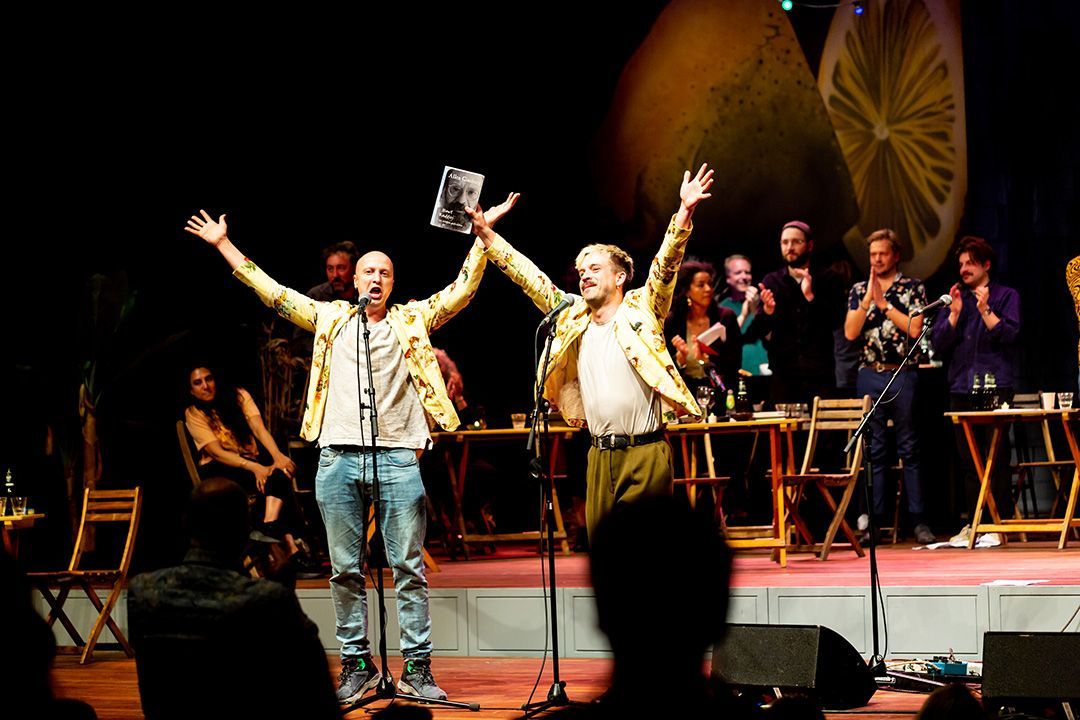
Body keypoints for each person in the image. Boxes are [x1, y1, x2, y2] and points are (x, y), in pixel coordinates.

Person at [183, 195, 517, 705]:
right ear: (355, 282)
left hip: (398, 458)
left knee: (408, 568)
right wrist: (225, 244)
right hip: (338, 458)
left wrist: (482, 238)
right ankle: (358, 667)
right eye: (368, 272)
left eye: (384, 271)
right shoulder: (329, 319)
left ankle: (418, 671)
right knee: (344, 569)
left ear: (392, 282)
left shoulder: (412, 321)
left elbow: (461, 292)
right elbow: (271, 292)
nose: (376, 278)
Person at [467, 164, 713, 538]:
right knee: (608, 561)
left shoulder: (643, 309)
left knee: (643, 553)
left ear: (619, 277)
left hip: (644, 452)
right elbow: (528, 277)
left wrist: (684, 212)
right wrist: (486, 233)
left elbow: (666, 265)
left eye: (595, 268)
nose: (585, 274)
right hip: (598, 455)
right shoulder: (571, 317)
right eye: (581, 269)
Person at [127, 478, 338, 720]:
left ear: (185, 524)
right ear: (245, 531)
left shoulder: (142, 591)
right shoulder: (266, 600)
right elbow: (318, 697)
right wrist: (284, 586)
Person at [843, 229, 935, 545]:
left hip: (903, 373)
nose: (876, 259)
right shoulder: (859, 289)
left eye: (882, 253)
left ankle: (919, 521)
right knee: (874, 450)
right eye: (872, 254)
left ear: (895, 255)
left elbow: (915, 327)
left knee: (909, 447)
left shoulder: (913, 288)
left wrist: (884, 306)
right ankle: (875, 523)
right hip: (870, 373)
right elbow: (851, 333)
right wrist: (869, 298)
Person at [930, 236, 1021, 540]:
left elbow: (1009, 335)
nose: (964, 269)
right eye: (961, 264)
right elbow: (938, 344)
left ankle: (999, 524)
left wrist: (985, 311)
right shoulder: (957, 299)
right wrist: (954, 314)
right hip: (961, 386)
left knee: (995, 457)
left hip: (994, 386)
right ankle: (975, 523)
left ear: (986, 265)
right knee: (969, 460)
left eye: (970, 263)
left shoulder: (1006, 295)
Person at [184, 365, 311, 561]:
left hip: (250, 462)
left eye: (208, 379)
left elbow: (259, 429)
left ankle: (269, 528)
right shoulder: (194, 413)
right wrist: (255, 468)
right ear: (191, 390)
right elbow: (216, 452)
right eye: (198, 383)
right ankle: (289, 545)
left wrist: (277, 456)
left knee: (280, 472)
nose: (205, 386)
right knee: (270, 482)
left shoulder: (239, 396)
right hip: (219, 469)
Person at [754, 221, 847, 405]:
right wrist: (767, 311)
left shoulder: (829, 279)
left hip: (820, 375)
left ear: (809, 245)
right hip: (784, 375)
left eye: (796, 242)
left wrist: (811, 297)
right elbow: (760, 330)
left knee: (821, 432)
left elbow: (837, 322)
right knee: (784, 432)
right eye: (785, 242)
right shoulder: (771, 281)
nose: (790, 247)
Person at [666, 258, 742, 396]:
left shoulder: (726, 318)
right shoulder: (673, 321)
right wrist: (679, 360)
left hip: (720, 394)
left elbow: (734, 365)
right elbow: (664, 371)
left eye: (710, 284)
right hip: (685, 396)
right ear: (687, 291)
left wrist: (706, 362)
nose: (708, 289)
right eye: (701, 285)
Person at [719, 254, 769, 377]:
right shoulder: (722, 308)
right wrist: (744, 314)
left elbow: (772, 336)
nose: (744, 277)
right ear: (728, 278)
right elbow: (723, 343)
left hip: (766, 369)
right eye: (738, 273)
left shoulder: (763, 303)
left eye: (747, 272)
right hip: (740, 372)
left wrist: (757, 311)